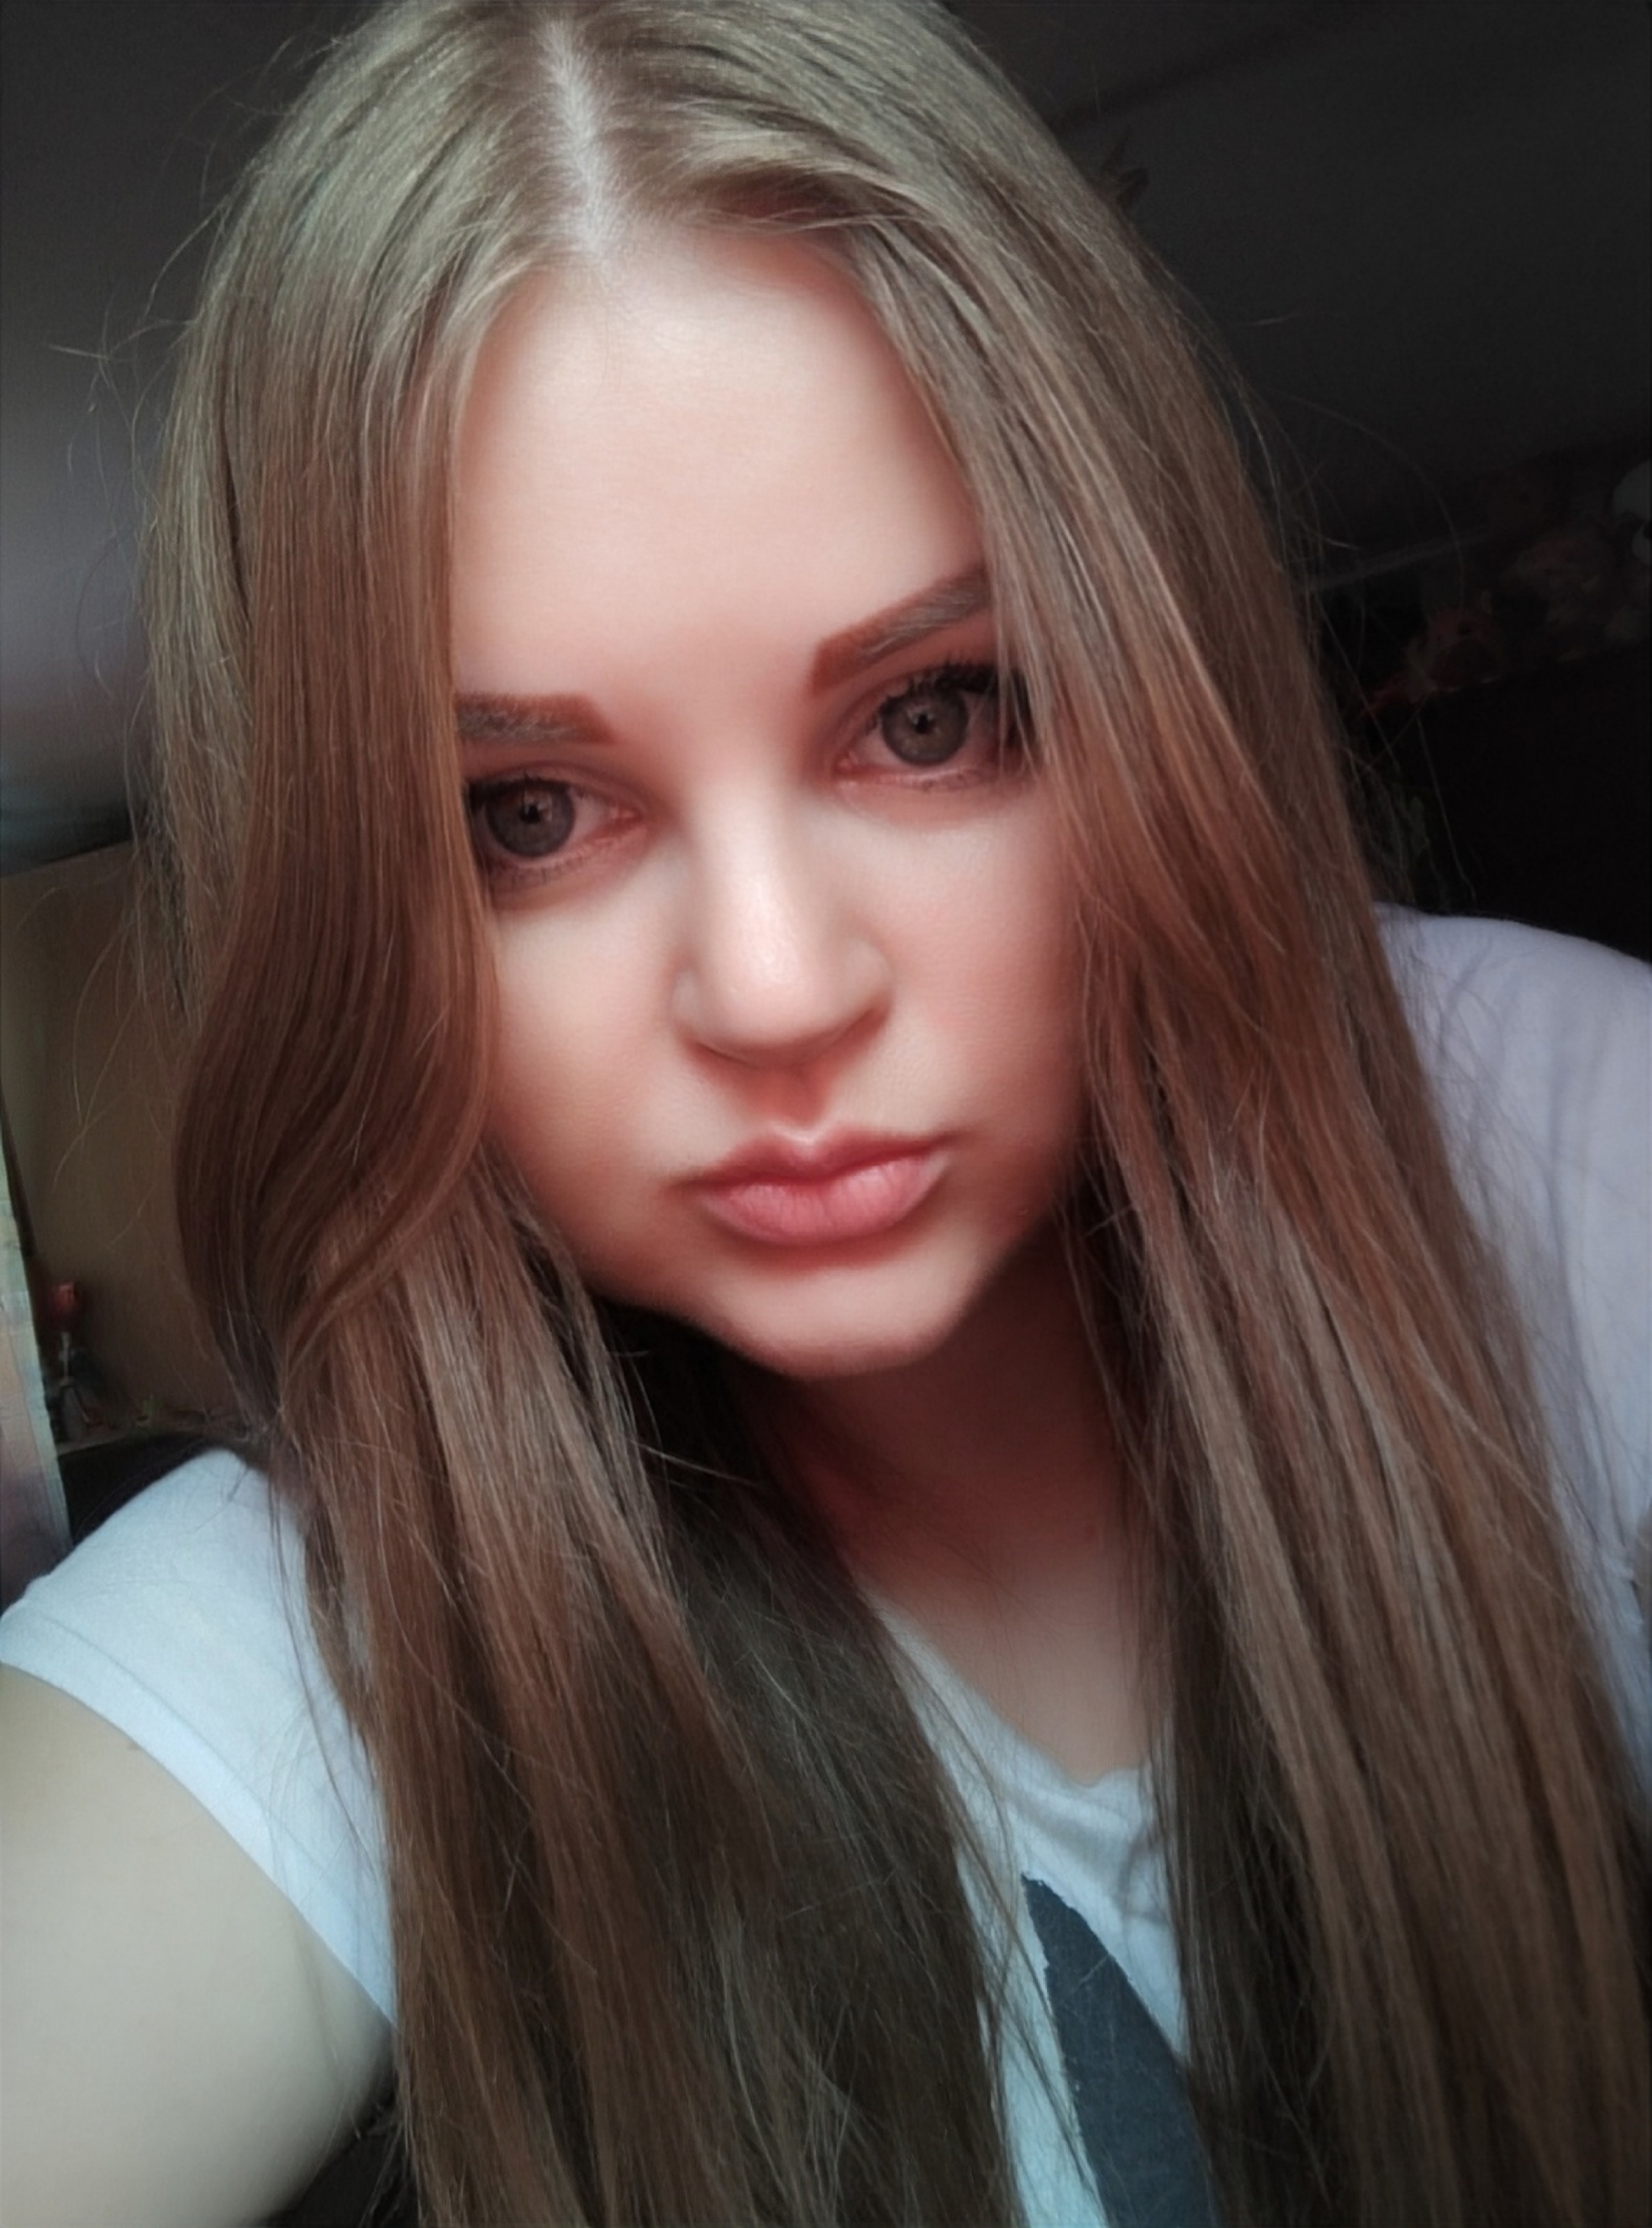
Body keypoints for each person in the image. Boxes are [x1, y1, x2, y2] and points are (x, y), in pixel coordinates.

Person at [1, 2, 1646, 2222]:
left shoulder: (1552, 1137)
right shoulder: (319, 1644)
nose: (778, 991)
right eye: (525, 813)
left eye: (933, 713)